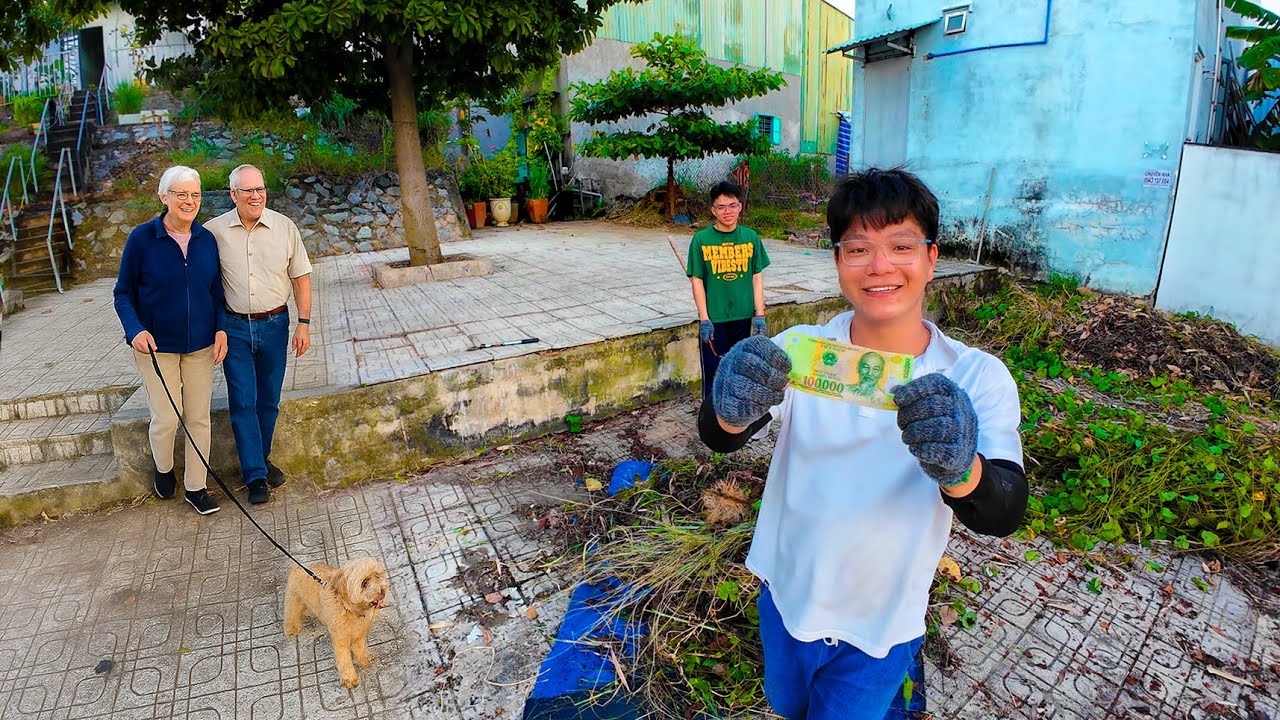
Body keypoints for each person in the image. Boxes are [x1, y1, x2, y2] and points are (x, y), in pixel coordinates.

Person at [698, 168, 1029, 719]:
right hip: (787, 595)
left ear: (930, 257)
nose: (880, 266)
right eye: (858, 249)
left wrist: (961, 470)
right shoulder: (802, 350)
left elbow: (1006, 509)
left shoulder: (975, 378)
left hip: (883, 621)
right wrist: (729, 407)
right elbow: (720, 436)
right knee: (785, 706)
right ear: (837, 261)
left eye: (901, 246)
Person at [113, 165, 227, 516]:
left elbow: (216, 291)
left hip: (201, 346)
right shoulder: (142, 239)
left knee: (199, 418)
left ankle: (196, 487)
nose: (189, 201)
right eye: (181, 194)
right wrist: (135, 331)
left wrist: (220, 329)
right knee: (166, 418)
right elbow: (122, 294)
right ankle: (164, 469)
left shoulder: (207, 239)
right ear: (164, 197)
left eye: (195, 195)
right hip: (156, 346)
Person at [205, 164, 313, 505]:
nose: (255, 196)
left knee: (269, 401)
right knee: (243, 402)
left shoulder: (284, 227)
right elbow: (203, 283)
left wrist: (304, 323)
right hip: (234, 328)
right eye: (247, 190)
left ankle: (260, 460)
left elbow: (301, 279)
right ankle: (254, 476)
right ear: (233, 195)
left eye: (260, 189)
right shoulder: (213, 232)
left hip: (275, 324)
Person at [685, 180, 770, 403]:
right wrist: (704, 319)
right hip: (715, 320)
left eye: (732, 205)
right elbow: (697, 281)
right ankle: (712, 422)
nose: (727, 212)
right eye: (721, 207)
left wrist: (759, 315)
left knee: (739, 370)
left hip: (743, 317)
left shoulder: (750, 238)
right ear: (713, 210)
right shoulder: (701, 240)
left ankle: (735, 418)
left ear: (740, 206)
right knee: (714, 374)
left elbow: (757, 277)